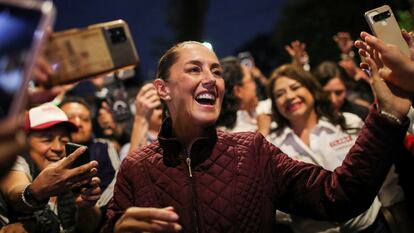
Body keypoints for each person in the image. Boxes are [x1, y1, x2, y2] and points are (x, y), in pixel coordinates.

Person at [101, 41, 411, 233]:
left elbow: (338, 195)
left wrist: (388, 115)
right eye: (195, 69)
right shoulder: (135, 168)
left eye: (217, 71)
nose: (211, 79)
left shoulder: (252, 150)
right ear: (162, 89)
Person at [266, 64, 405, 233]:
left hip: (371, 227)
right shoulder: (271, 146)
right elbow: (273, 200)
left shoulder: (348, 123)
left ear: (311, 89)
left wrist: (394, 205)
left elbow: (378, 168)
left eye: (295, 87)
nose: (289, 96)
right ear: (275, 104)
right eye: (279, 94)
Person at [0, 103, 101, 233]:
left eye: (64, 140)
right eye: (47, 139)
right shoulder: (16, 162)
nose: (58, 148)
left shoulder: (74, 175)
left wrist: (86, 205)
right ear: (25, 143)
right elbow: (15, 190)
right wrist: (36, 191)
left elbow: (89, 227)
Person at [59, 97, 120, 209]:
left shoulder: (102, 146)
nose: (78, 123)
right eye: (70, 118)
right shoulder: (52, 151)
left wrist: (94, 206)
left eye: (85, 119)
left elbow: (114, 183)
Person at [119, 82, 162, 161]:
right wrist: (140, 117)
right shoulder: (128, 148)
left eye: (163, 104)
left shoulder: (179, 134)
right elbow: (131, 171)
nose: (162, 110)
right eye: (157, 106)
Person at [215, 56, 259, 132]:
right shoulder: (237, 133)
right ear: (238, 91)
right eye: (251, 80)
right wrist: (263, 131)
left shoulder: (258, 112)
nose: (255, 85)